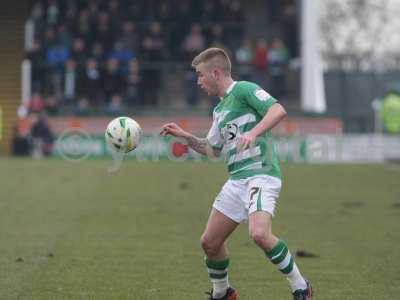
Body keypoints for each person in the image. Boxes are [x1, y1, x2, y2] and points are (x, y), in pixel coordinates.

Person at [160, 48, 312, 300]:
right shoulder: (219, 111)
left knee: (259, 233)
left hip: (261, 174)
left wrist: (254, 133)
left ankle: (301, 287)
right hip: (237, 181)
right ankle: (223, 294)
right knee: (210, 242)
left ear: (216, 73)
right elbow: (212, 150)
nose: (198, 82)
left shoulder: (243, 90)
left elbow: (278, 110)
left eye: (200, 75)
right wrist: (185, 137)